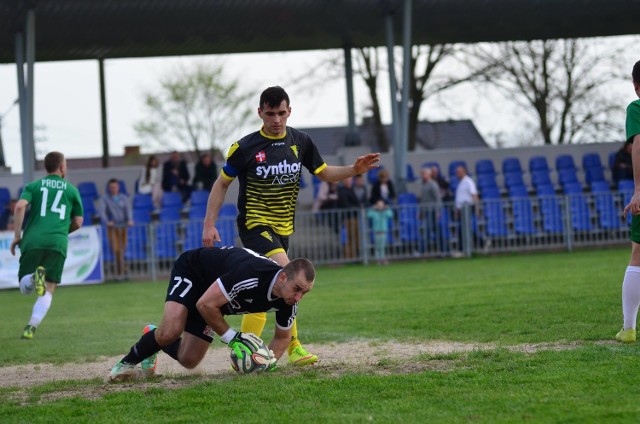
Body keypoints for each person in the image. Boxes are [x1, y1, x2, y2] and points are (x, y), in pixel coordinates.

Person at [202, 86, 380, 366]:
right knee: (290, 277)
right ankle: (294, 345)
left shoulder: (301, 141)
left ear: (289, 112)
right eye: (270, 113)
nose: (276, 119)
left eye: (281, 113)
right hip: (255, 225)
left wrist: (353, 170)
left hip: (284, 229)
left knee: (266, 289)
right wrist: (209, 224)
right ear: (260, 112)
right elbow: (222, 183)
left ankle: (245, 351)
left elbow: (323, 173)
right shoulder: (245, 147)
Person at [109, 246, 315, 381]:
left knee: (189, 359)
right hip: (194, 272)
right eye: (297, 288)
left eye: (304, 292)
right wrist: (233, 338)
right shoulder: (251, 275)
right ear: (282, 277)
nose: (298, 297)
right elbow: (205, 304)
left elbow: (282, 337)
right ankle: (125, 364)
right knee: (170, 331)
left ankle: (153, 337)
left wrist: (266, 363)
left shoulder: (289, 301)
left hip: (215, 298)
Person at [10, 151, 84, 340]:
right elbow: (78, 221)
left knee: (24, 288)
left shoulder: (33, 186)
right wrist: (60, 232)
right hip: (57, 242)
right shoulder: (71, 190)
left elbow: (19, 207)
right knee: (49, 288)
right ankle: (31, 327)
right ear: (61, 167)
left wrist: (17, 236)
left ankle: (34, 279)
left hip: (33, 240)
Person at [617, 60, 640, 343]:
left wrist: (638, 188)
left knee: (638, 254)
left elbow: (638, 145)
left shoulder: (636, 108)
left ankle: (629, 328)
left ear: (636, 86)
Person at [99, 178, 134, 281]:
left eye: (115, 187)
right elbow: (102, 211)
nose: (113, 189)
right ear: (109, 188)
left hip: (123, 227)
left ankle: (123, 271)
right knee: (116, 250)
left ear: (118, 187)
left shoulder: (123, 198)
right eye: (111, 187)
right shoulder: (105, 199)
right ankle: (119, 273)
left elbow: (128, 209)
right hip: (113, 228)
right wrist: (107, 221)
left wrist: (130, 219)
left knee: (123, 249)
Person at [453, 165, 486, 256]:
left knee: (465, 229)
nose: (457, 174)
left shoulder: (468, 181)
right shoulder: (461, 183)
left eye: (458, 172)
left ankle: (463, 249)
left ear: (463, 172)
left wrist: (477, 208)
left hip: (468, 208)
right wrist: (457, 210)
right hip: (461, 209)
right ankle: (480, 243)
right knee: (464, 229)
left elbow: (474, 195)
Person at [337, 177, 362, 259]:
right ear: (344, 181)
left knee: (355, 237)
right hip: (348, 218)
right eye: (348, 180)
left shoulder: (351, 190)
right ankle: (349, 257)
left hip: (354, 217)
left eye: (350, 180)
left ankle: (355, 256)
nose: (350, 182)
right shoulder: (342, 191)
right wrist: (356, 207)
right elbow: (345, 204)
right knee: (350, 238)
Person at [420, 167, 443, 252]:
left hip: (432, 211)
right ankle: (442, 249)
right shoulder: (424, 185)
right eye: (422, 174)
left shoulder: (433, 184)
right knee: (434, 231)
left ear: (429, 175)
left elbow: (437, 198)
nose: (422, 176)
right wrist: (421, 211)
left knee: (429, 231)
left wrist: (438, 211)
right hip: (426, 211)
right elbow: (423, 199)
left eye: (424, 174)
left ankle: (423, 251)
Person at [367, 200, 393, 265]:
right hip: (377, 232)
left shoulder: (385, 212)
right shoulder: (374, 213)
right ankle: (378, 259)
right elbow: (369, 215)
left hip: (383, 232)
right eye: (379, 205)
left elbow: (390, 214)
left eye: (382, 205)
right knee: (378, 247)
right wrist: (372, 208)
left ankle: (383, 259)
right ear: (377, 206)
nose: (380, 206)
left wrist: (388, 208)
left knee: (383, 246)